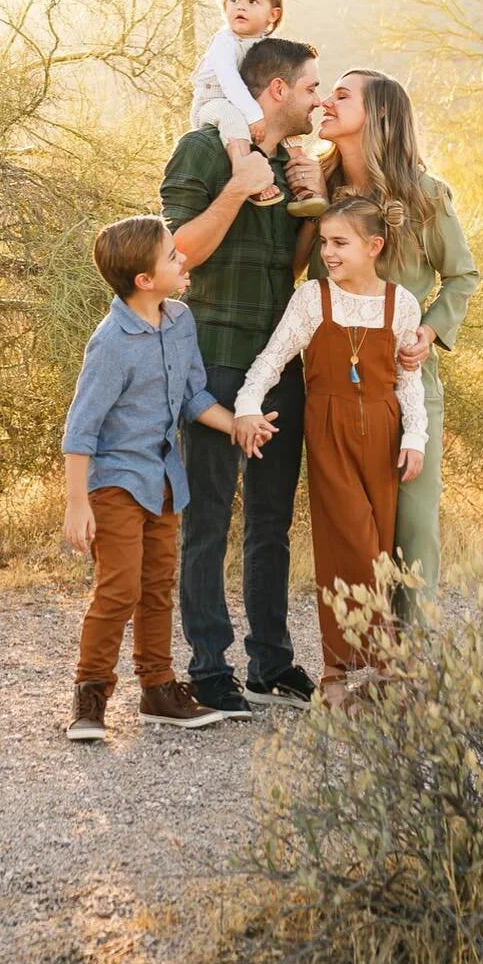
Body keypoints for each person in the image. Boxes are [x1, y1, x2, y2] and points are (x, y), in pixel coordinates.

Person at [162, 36, 327, 716]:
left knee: (270, 518)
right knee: (206, 517)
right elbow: (179, 251)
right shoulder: (203, 149)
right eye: (312, 86)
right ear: (277, 90)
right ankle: (207, 666)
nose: (319, 98)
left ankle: (271, 663)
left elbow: (292, 265)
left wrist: (313, 207)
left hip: (276, 363)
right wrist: (237, 187)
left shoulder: (297, 162)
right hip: (213, 359)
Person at [62, 215, 260, 742]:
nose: (184, 260)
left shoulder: (180, 321)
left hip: (166, 480)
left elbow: (195, 398)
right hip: (116, 482)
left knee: (156, 590)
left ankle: (157, 688)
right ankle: (91, 692)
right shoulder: (111, 342)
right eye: (173, 256)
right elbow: (81, 427)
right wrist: (77, 504)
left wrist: (238, 423)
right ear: (145, 281)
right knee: (119, 588)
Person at [233, 196, 428, 703]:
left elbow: (410, 380)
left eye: (340, 243)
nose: (328, 254)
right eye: (323, 244)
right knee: (350, 542)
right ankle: (352, 666)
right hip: (330, 434)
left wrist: (414, 437)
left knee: (379, 547)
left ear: (374, 246)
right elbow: (272, 359)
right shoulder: (312, 299)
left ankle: (360, 674)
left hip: (385, 436)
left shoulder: (401, 303)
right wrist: (247, 404)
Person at [312, 70, 481, 602]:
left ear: (380, 116)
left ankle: (415, 671)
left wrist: (430, 331)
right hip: (334, 389)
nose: (325, 101)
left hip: (408, 383)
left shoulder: (426, 197)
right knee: (354, 531)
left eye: (342, 95)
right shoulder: (318, 186)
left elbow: (462, 276)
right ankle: (358, 666)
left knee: (412, 530)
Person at [190, 0, 327, 218]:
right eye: (234, 0)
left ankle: (302, 188)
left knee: (290, 131)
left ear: (273, 15)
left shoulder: (265, 46)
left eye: (253, 1)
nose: (240, 7)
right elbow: (229, 79)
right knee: (232, 120)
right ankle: (247, 175)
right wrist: (254, 114)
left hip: (247, 104)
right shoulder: (224, 41)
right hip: (214, 101)